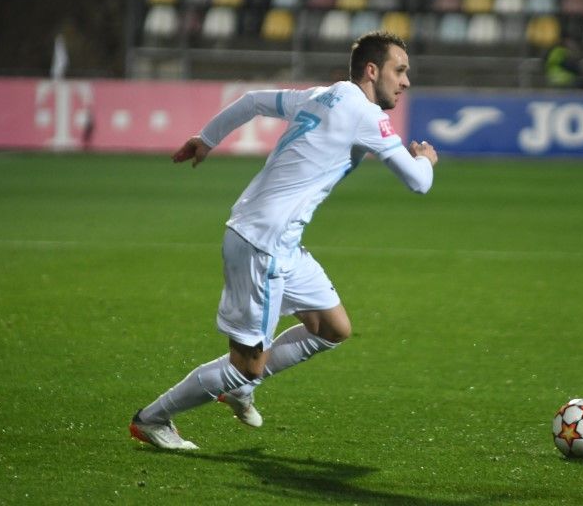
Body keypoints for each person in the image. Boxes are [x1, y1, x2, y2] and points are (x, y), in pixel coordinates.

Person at [128, 31, 438, 450]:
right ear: (372, 70)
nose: (405, 81)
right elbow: (419, 182)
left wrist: (207, 138)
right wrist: (425, 159)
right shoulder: (366, 115)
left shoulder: (320, 96)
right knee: (246, 364)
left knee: (332, 328)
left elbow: (253, 100)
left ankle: (239, 387)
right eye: (399, 71)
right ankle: (152, 419)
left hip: (278, 240)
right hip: (264, 243)